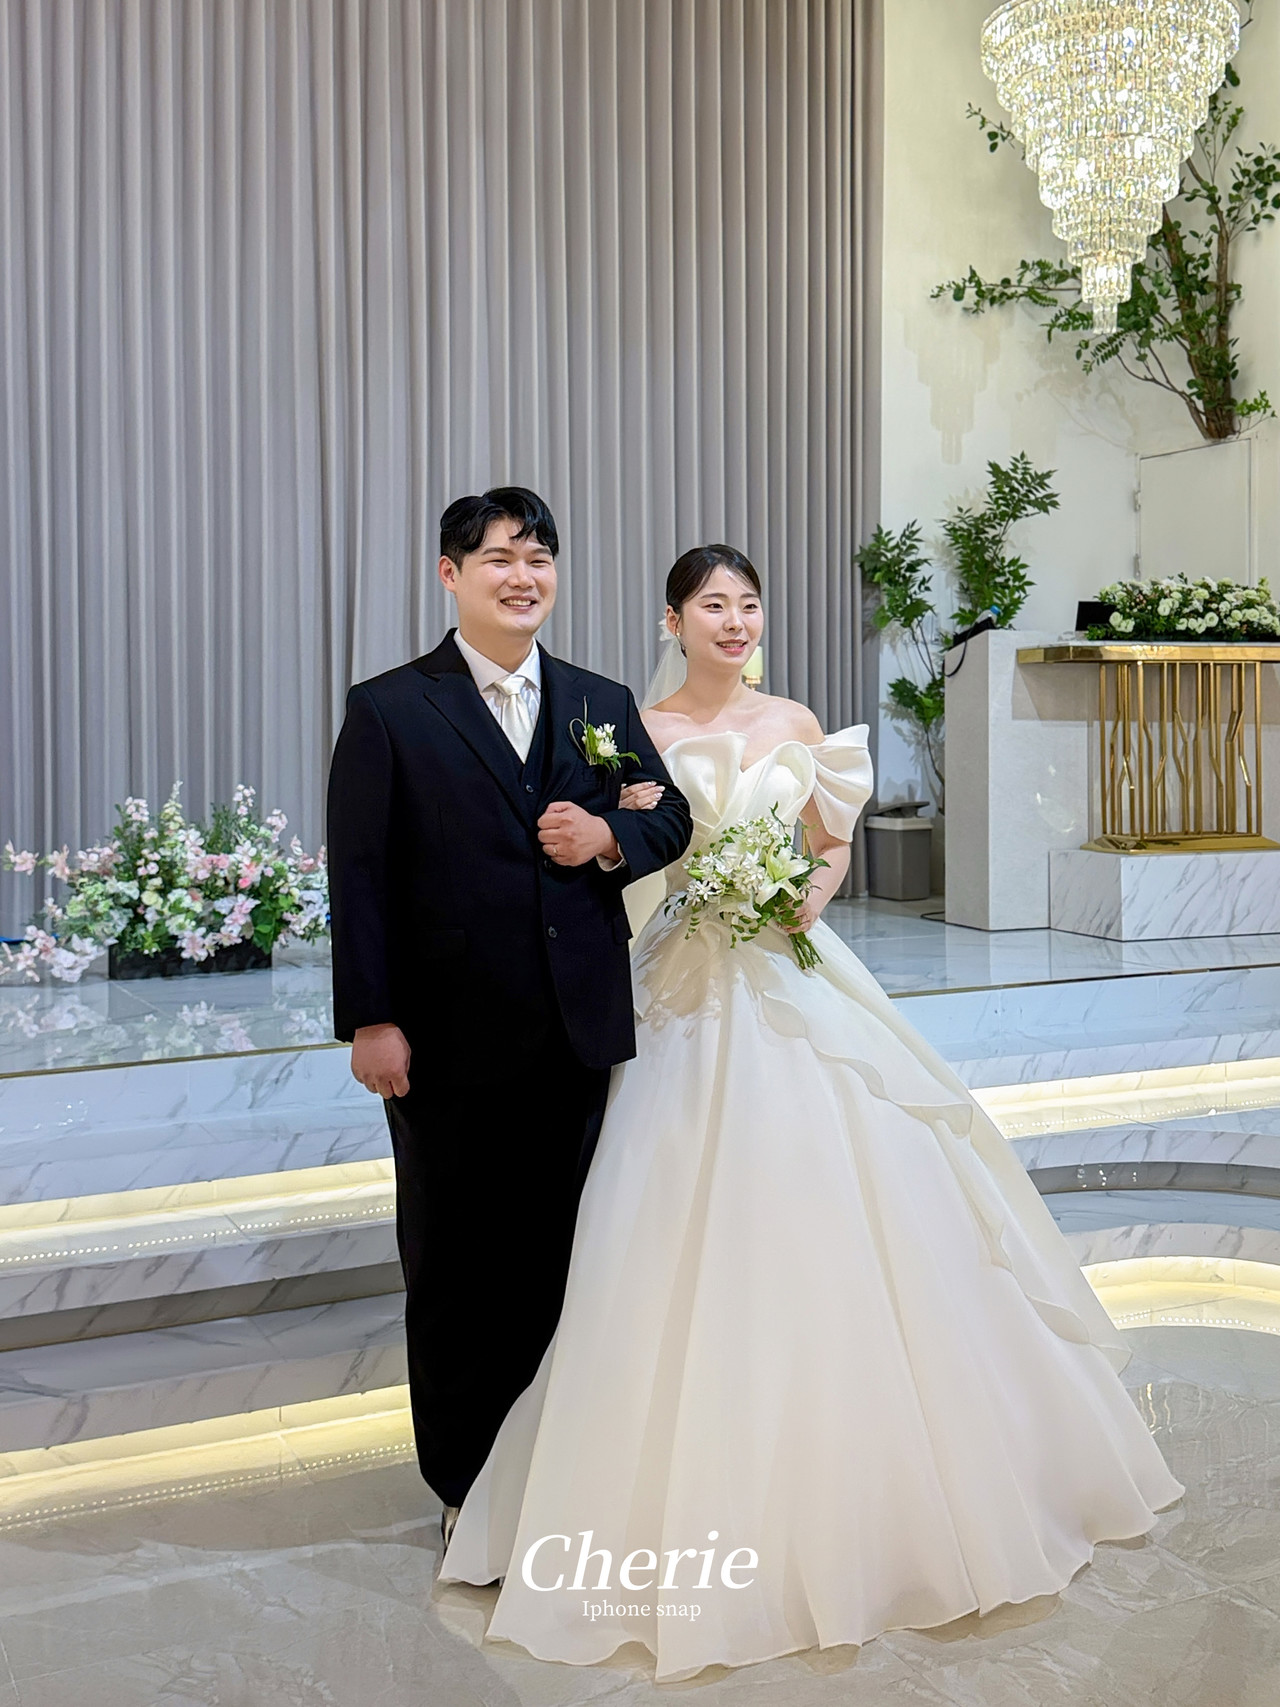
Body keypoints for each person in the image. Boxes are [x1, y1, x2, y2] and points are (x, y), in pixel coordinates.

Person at [439, 543, 1184, 1683]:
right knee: (662, 1202)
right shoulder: (632, 729)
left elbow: (828, 843)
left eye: (748, 604)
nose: (735, 622)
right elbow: (622, 853)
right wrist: (673, 870)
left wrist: (798, 898)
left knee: (856, 1179)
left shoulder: (795, 723)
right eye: (712, 606)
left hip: (790, 966)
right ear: (673, 620)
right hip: (681, 976)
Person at [325, 488, 692, 1544]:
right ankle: (463, 1488)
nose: (522, 577)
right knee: (453, 1265)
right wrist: (371, 1019)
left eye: (538, 558)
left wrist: (610, 839)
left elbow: (669, 814)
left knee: (558, 1260)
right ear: (451, 575)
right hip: (443, 1039)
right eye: (498, 558)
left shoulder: (597, 699)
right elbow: (361, 876)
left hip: (573, 1027)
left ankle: (546, 1477)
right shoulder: (390, 708)